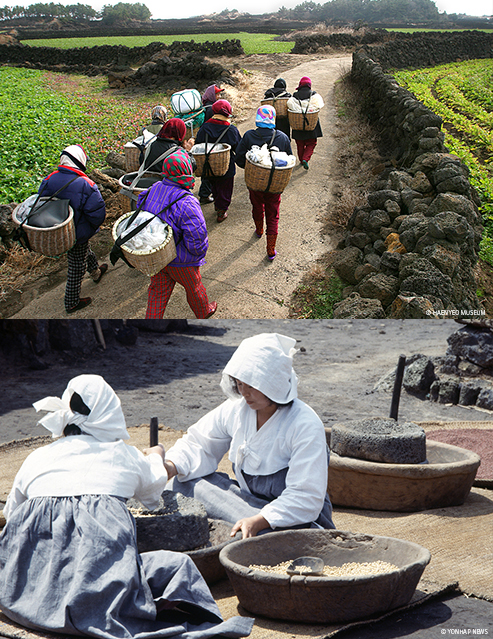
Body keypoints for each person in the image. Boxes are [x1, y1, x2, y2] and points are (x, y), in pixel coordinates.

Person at [0, 374, 253, 639]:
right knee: (177, 566)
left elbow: (13, 515)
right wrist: (156, 456)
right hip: (95, 596)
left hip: (22, 595)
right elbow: (154, 490)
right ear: (109, 413)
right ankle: (191, 616)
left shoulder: (37, 458)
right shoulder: (122, 455)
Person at [165, 333, 335, 539]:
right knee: (182, 482)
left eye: (252, 385)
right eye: (240, 383)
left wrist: (259, 520)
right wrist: (170, 466)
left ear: (272, 383)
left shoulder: (304, 424)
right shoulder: (236, 409)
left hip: (292, 519)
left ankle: (273, 534)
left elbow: (306, 496)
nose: (244, 392)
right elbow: (200, 443)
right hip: (246, 505)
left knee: (242, 536)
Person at [137, 147, 217, 319]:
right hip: (181, 261)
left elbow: (140, 210)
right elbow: (197, 237)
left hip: (158, 255)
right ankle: (204, 312)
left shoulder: (154, 188)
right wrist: (195, 256)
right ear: (186, 171)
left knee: (157, 292)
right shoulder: (187, 202)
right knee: (194, 288)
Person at [37, 144, 107, 314]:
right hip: (77, 231)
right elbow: (97, 214)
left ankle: (95, 271)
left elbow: (40, 202)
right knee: (76, 265)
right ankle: (71, 301)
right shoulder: (86, 184)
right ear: (80, 161)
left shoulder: (49, 179)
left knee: (82, 250)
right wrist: (88, 227)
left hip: (56, 229)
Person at [235, 105, 293, 260]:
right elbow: (289, 160)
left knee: (256, 206)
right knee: (273, 214)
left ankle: (259, 230)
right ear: (272, 118)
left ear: (258, 118)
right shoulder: (282, 137)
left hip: (256, 184)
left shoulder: (248, 136)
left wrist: (251, 169)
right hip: (275, 185)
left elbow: (239, 158)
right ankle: (270, 249)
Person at [194, 99, 242, 223]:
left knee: (214, 184)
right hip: (225, 165)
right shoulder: (231, 129)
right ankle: (221, 211)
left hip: (208, 164)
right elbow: (239, 147)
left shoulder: (205, 127)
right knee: (225, 188)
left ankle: (217, 202)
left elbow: (198, 143)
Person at [287, 76, 324, 170]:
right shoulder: (314, 95)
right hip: (310, 124)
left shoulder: (294, 96)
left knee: (300, 144)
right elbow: (319, 106)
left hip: (298, 124)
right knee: (311, 142)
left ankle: (301, 159)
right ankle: (305, 159)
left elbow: (289, 106)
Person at [198, 85, 223, 205]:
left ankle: (205, 193)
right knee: (210, 168)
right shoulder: (211, 109)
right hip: (211, 142)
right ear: (212, 95)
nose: (219, 96)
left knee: (206, 167)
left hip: (204, 141)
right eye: (217, 94)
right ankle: (204, 194)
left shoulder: (203, 107)